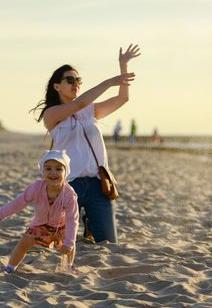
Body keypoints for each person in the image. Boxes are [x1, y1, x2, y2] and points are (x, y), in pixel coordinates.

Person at [31, 44, 140, 243]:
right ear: (57, 86)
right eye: (70, 79)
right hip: (68, 186)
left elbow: (123, 98)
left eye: (78, 80)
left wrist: (122, 66)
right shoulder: (52, 114)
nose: (76, 83)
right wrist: (109, 82)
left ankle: (89, 222)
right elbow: (78, 104)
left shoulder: (90, 111)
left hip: (98, 183)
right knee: (51, 241)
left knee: (108, 241)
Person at [0, 150, 79, 273]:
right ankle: (10, 267)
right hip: (41, 225)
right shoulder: (37, 187)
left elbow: (72, 219)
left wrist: (69, 243)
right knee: (24, 242)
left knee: (69, 244)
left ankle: (68, 266)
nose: (53, 173)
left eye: (59, 169)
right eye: (48, 168)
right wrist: (1, 214)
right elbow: (19, 202)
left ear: (66, 173)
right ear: (42, 172)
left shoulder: (69, 194)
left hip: (61, 227)